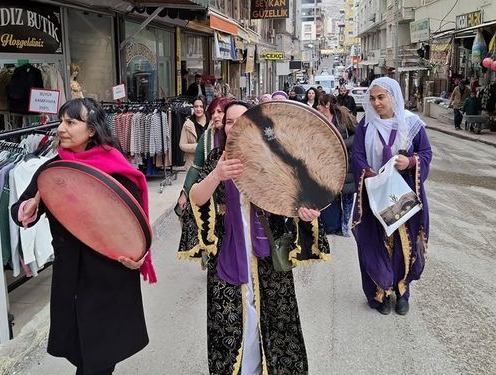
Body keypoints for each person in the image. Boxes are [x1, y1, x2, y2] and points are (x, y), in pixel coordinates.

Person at [180, 101, 330, 375]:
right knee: (230, 326)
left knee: (276, 324)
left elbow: (297, 202)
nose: (234, 125)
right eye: (228, 121)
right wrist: (217, 175)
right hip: (228, 257)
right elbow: (196, 199)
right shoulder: (216, 158)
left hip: (268, 261)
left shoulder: (274, 159)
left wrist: (305, 214)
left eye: (242, 119)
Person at [11, 98, 156, 374]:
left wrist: (140, 253)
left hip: (109, 278)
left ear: (91, 130)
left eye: (71, 122)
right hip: (71, 278)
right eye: (61, 121)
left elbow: (135, 222)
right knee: (82, 352)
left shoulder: (113, 167)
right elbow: (19, 208)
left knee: (98, 359)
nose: (62, 129)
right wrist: (26, 210)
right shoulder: (53, 170)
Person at [351, 77, 432, 316]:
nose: (376, 103)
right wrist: (369, 173)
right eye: (373, 98)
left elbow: (425, 153)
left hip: (404, 193)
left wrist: (411, 162)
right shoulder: (366, 126)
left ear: (394, 97)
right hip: (374, 192)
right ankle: (380, 293)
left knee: (403, 243)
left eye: (381, 97)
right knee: (376, 243)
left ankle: (402, 291)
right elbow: (357, 156)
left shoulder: (412, 123)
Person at [175, 97, 231, 218]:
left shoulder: (241, 136)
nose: (215, 116)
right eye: (212, 112)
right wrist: (184, 193)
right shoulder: (206, 137)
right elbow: (196, 167)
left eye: (220, 112)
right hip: (211, 196)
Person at [317, 94, 357, 236]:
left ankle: (345, 225)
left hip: (345, 162)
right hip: (326, 165)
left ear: (327, 105)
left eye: (320, 104)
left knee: (346, 195)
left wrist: (340, 144)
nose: (318, 107)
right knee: (330, 194)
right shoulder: (317, 119)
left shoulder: (343, 117)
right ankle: (330, 224)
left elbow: (357, 136)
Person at [179, 95, 208, 169]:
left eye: (201, 106)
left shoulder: (211, 122)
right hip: (193, 164)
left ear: (205, 107)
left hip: (210, 163)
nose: (198, 109)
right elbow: (182, 145)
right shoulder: (188, 124)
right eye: (196, 106)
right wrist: (198, 147)